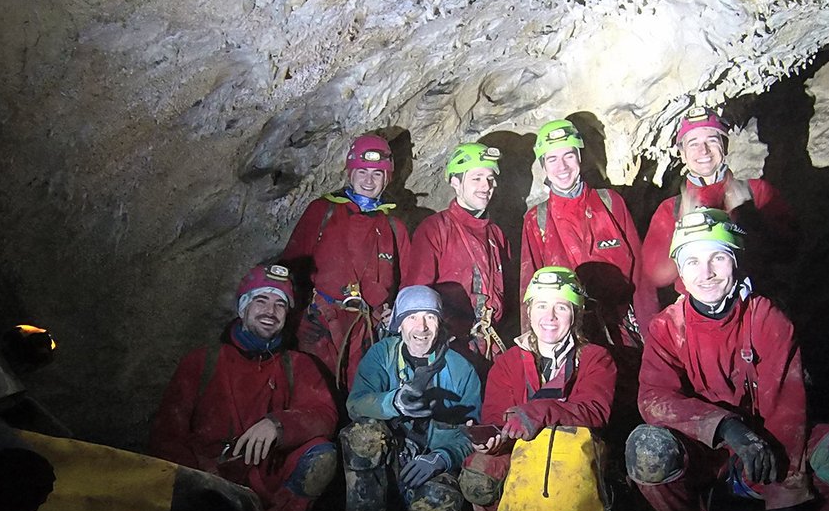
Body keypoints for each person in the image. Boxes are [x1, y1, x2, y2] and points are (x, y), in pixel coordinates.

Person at [625, 210, 829, 511]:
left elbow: (786, 410)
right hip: (704, 454)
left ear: (736, 262)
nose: (705, 272)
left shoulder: (767, 319)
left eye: (718, 257)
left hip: (769, 448)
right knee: (646, 448)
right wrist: (724, 427)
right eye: (692, 260)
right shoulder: (666, 328)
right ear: (679, 269)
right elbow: (654, 399)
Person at [149, 264, 339, 511]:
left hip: (267, 476)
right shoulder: (202, 361)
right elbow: (166, 434)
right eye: (261, 300)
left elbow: (325, 415)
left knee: (322, 456)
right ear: (243, 307)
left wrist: (278, 425)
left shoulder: (297, 365)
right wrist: (201, 479)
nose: (271, 311)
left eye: (280, 304)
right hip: (211, 476)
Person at [459, 267, 617, 511]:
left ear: (576, 315)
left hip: (573, 462)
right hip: (521, 458)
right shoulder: (508, 363)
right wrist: (492, 442)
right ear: (529, 312)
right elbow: (498, 419)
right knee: (479, 473)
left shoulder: (594, 358)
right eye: (541, 305)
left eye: (562, 307)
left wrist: (540, 411)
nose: (550, 317)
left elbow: (595, 411)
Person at [341, 285, 482, 511]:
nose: (421, 327)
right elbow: (356, 404)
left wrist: (442, 457)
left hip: (427, 469)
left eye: (429, 317)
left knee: (443, 501)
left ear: (440, 323)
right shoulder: (381, 356)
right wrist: (393, 401)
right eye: (412, 317)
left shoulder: (460, 370)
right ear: (399, 324)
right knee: (362, 434)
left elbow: (474, 434)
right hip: (387, 468)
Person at [280, 133, 410, 391]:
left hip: (368, 331)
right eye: (362, 172)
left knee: (362, 400)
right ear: (350, 173)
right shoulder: (323, 211)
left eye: (377, 173)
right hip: (319, 325)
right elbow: (291, 266)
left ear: (388, 177)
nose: (369, 180)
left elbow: (409, 281)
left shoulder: (394, 226)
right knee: (315, 392)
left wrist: (396, 313)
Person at [640, 106, 796, 312]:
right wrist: (682, 230)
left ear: (725, 145)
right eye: (693, 143)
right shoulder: (670, 209)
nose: (703, 151)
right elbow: (657, 275)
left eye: (711, 141)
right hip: (701, 312)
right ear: (683, 154)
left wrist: (750, 221)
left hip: (755, 306)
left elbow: (789, 249)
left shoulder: (756, 191)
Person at [519, 118, 658, 343]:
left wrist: (653, 333)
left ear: (580, 158)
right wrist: (533, 345)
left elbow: (641, 275)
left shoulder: (611, 202)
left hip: (622, 329)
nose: (562, 167)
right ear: (543, 166)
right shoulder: (537, 219)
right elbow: (529, 288)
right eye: (552, 159)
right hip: (569, 335)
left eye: (568, 156)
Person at [401, 142, 510, 366]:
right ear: (455, 183)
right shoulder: (435, 229)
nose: (485, 186)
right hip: (449, 348)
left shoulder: (496, 233)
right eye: (476, 178)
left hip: (490, 345)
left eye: (490, 179)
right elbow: (416, 294)